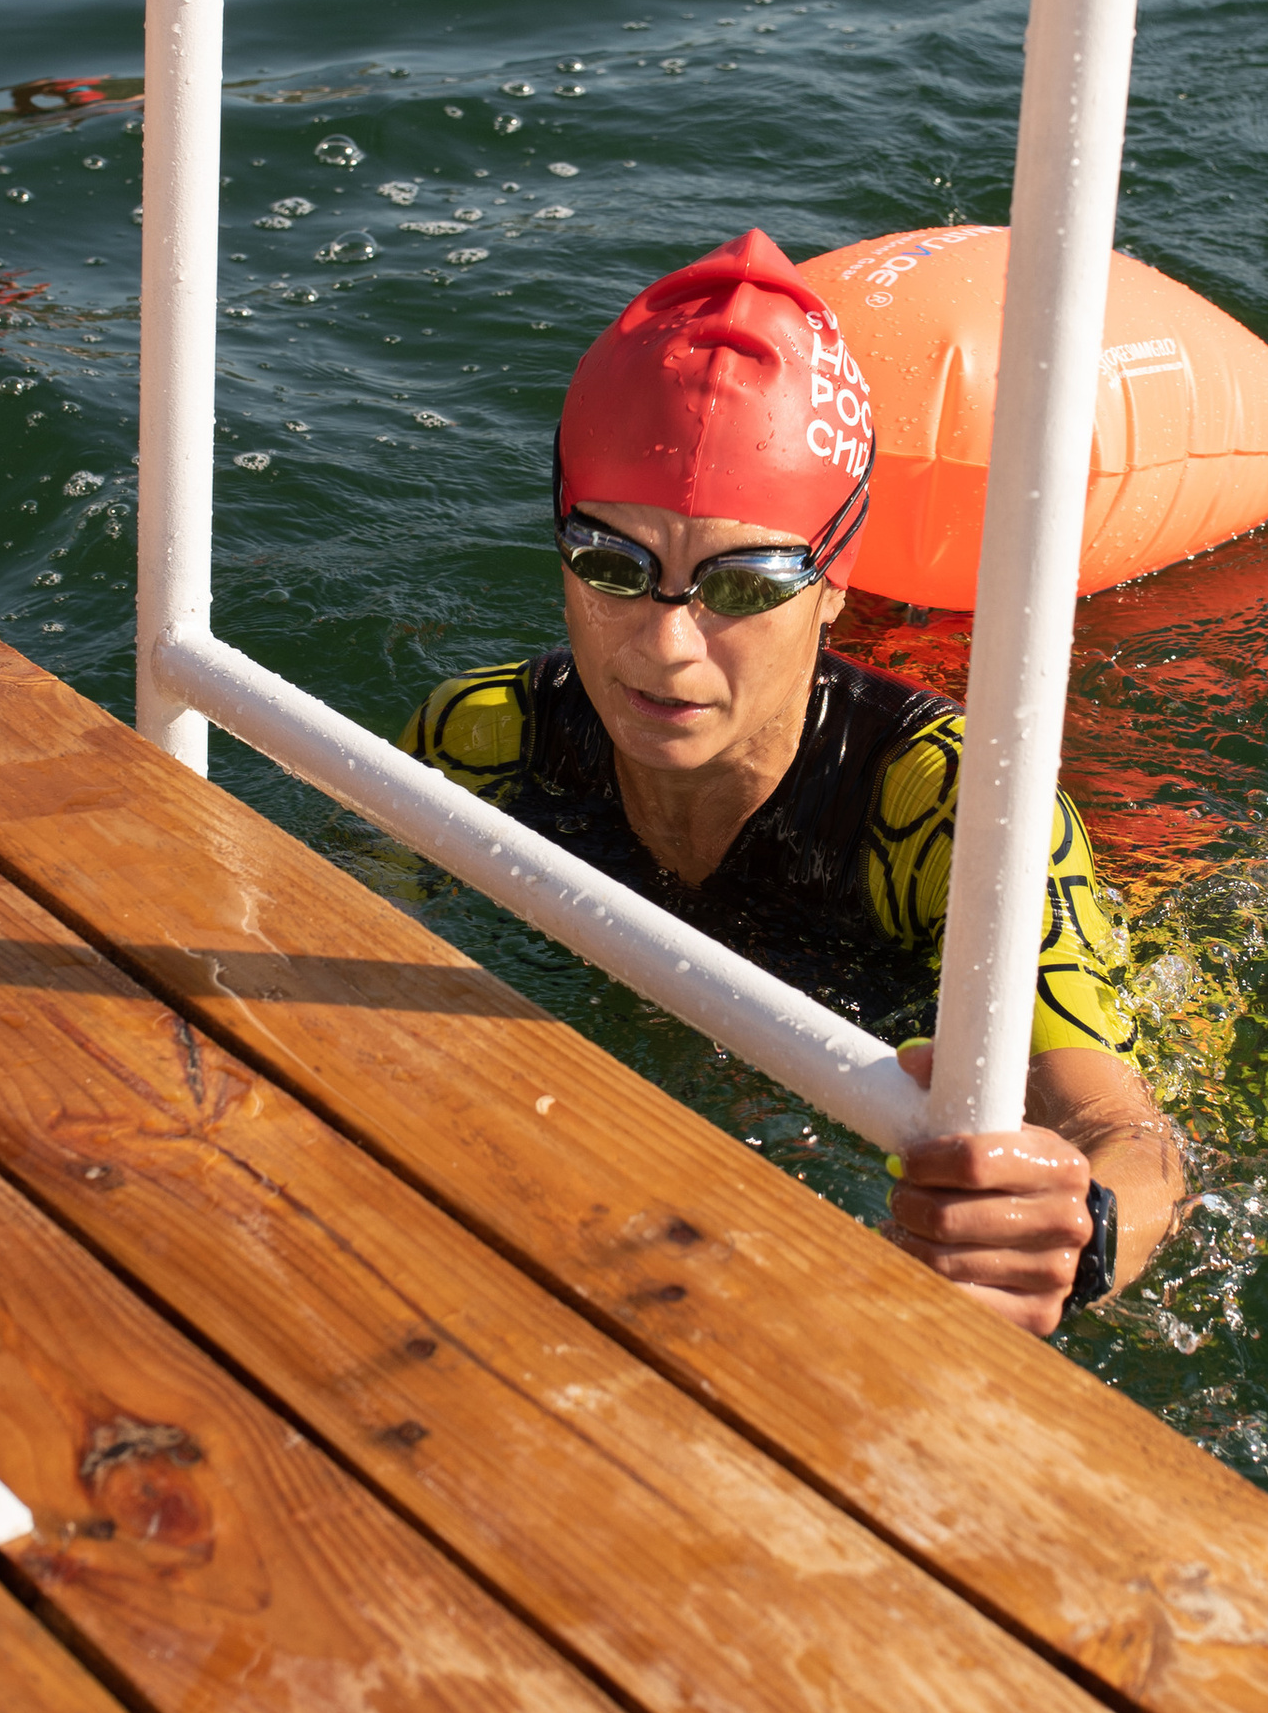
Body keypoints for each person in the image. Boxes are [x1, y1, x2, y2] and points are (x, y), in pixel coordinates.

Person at [402, 231, 1187, 1336]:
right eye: (613, 567)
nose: (667, 649)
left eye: (745, 583)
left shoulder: (954, 811)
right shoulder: (482, 742)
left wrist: (1080, 1236)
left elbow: (1133, 1135)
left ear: (833, 585)